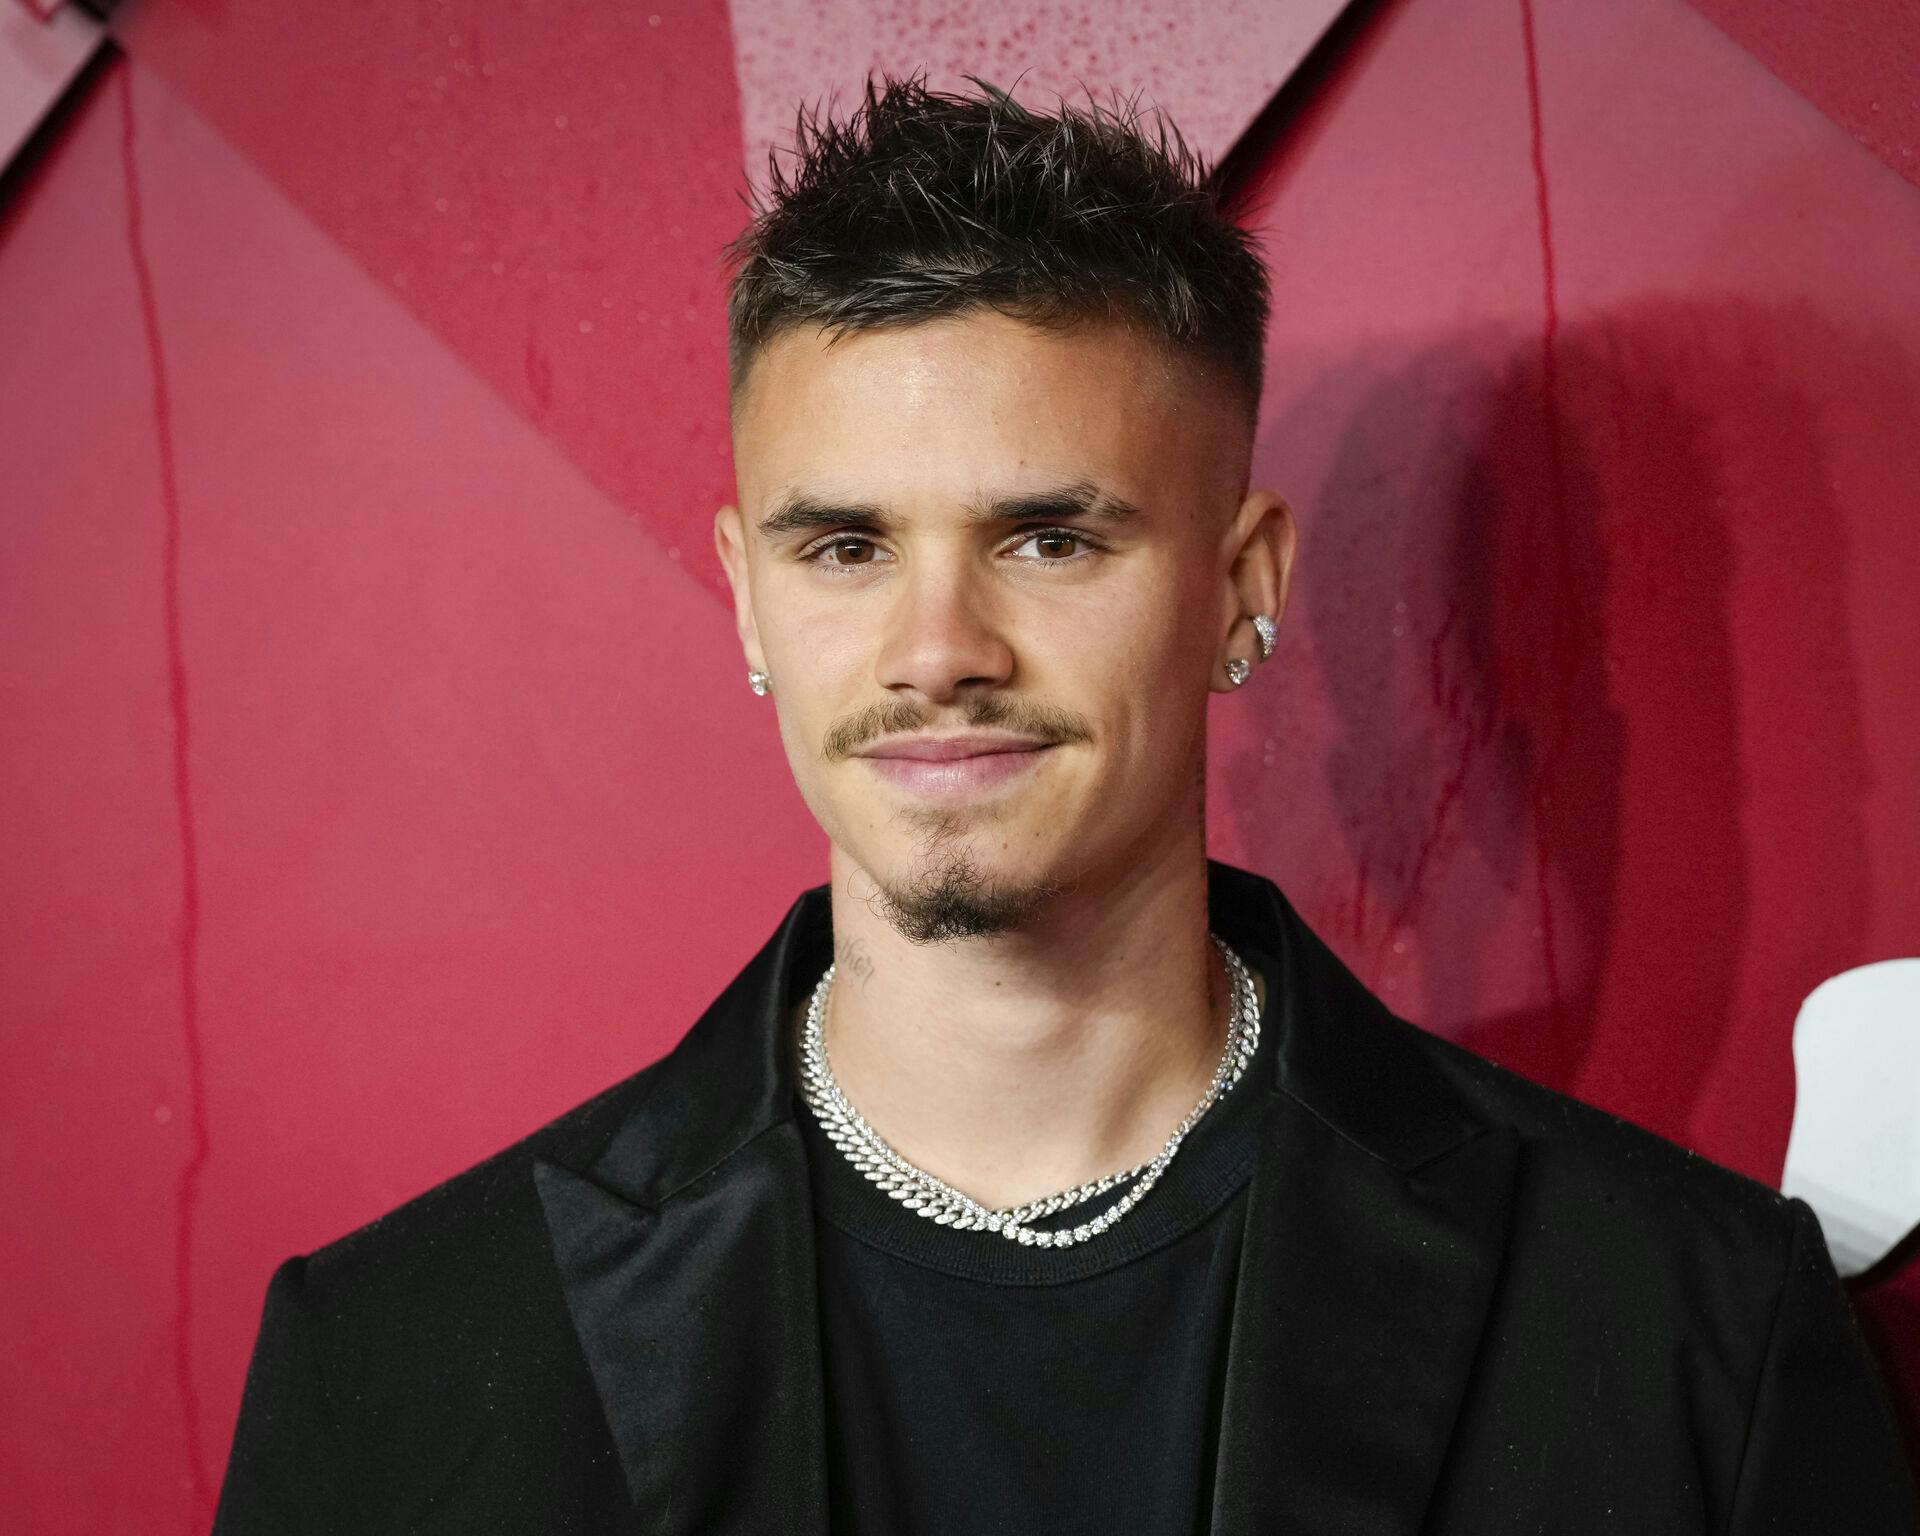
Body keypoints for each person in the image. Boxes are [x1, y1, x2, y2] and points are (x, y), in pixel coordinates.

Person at [212, 74, 1917, 1533]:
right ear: (746, 599)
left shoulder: (1686, 1325)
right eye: (846, 548)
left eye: (1050, 538)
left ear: (1242, 585)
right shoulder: (398, 1362)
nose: (938, 649)